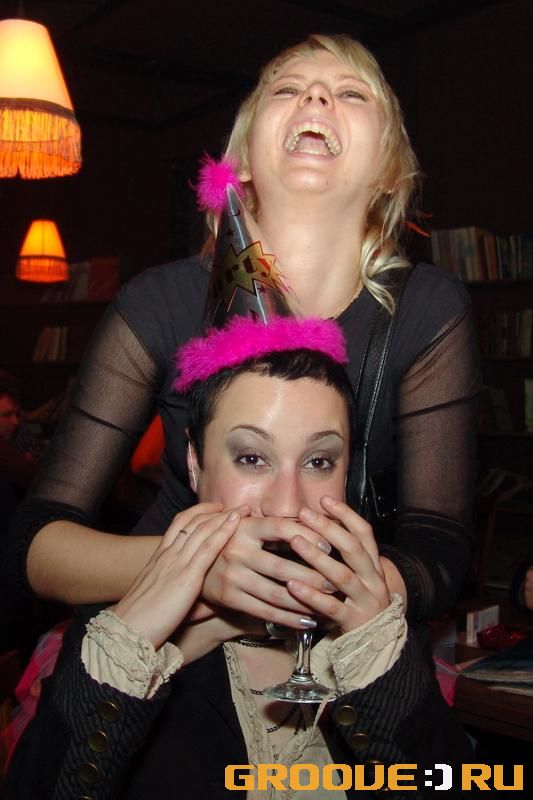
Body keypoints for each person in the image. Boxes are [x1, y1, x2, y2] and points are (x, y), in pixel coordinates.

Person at [1, 34, 480, 634]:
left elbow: (440, 549)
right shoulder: (159, 304)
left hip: (330, 652)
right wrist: (197, 566)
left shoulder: (428, 312)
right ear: (243, 161)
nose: (316, 96)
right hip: (166, 647)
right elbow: (35, 544)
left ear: (387, 170)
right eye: (287, 89)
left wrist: (313, 589)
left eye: (351, 93)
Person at [3, 318, 475, 799]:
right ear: (195, 464)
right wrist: (130, 651)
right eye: (251, 458)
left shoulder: (375, 628)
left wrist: (376, 665)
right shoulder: (119, 636)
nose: (286, 505)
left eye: (318, 462)